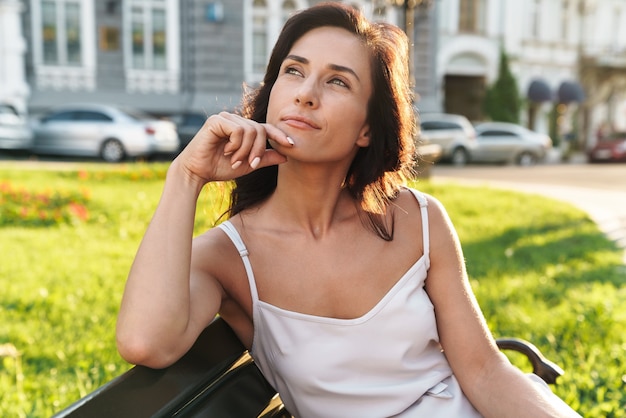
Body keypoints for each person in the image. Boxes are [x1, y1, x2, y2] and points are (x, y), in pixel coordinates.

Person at [116, 3, 581, 417]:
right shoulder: (228, 257)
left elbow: (484, 372)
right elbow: (144, 342)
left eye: (337, 81)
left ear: (366, 129)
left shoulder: (418, 219)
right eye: (293, 72)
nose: (305, 93)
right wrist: (186, 177)